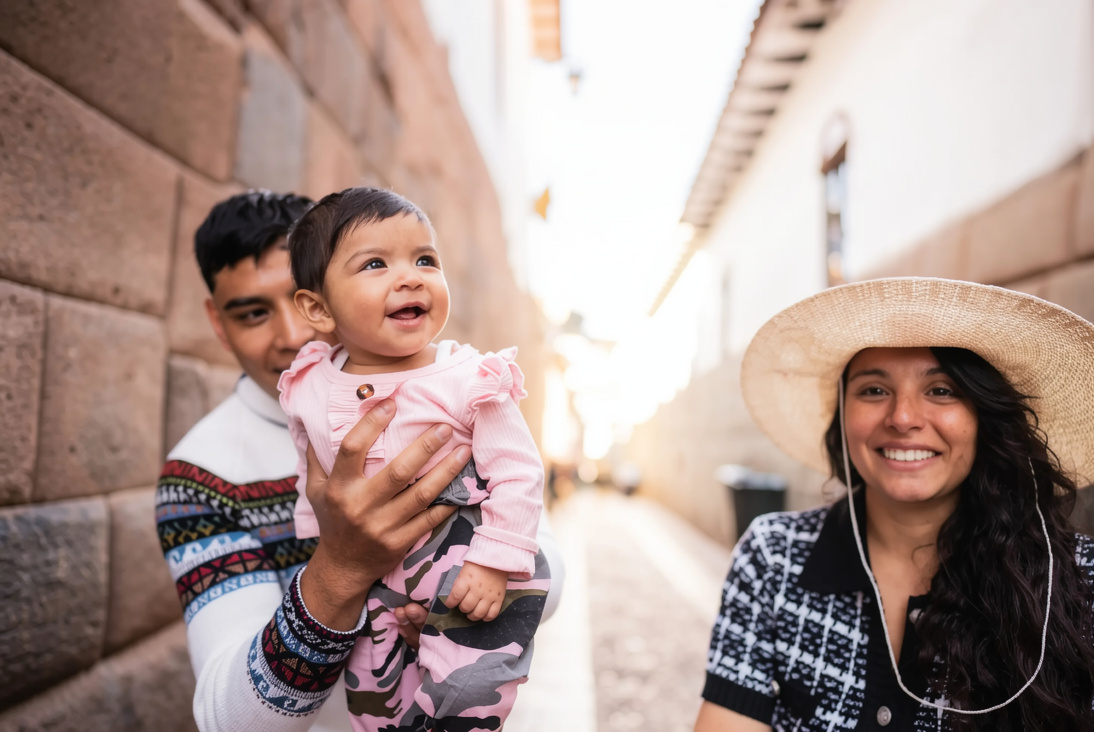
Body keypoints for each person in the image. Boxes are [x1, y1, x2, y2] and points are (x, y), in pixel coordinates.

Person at [156, 190, 563, 732]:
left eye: (421, 260)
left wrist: (459, 605)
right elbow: (227, 721)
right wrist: (341, 569)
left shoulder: (451, 382)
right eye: (254, 312)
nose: (294, 335)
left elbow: (544, 557)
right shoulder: (202, 476)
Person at [693, 277, 1094, 731]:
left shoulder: (1079, 578)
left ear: (986, 416)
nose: (902, 418)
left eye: (942, 390)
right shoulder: (772, 557)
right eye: (873, 390)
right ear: (843, 414)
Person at [279, 186, 549, 732]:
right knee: (371, 694)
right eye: (376, 263)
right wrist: (318, 539)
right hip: (370, 580)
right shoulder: (309, 381)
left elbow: (518, 470)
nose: (411, 276)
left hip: (468, 560)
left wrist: (494, 561)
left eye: (425, 259)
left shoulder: (468, 379)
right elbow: (312, 467)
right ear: (318, 308)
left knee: (468, 691)